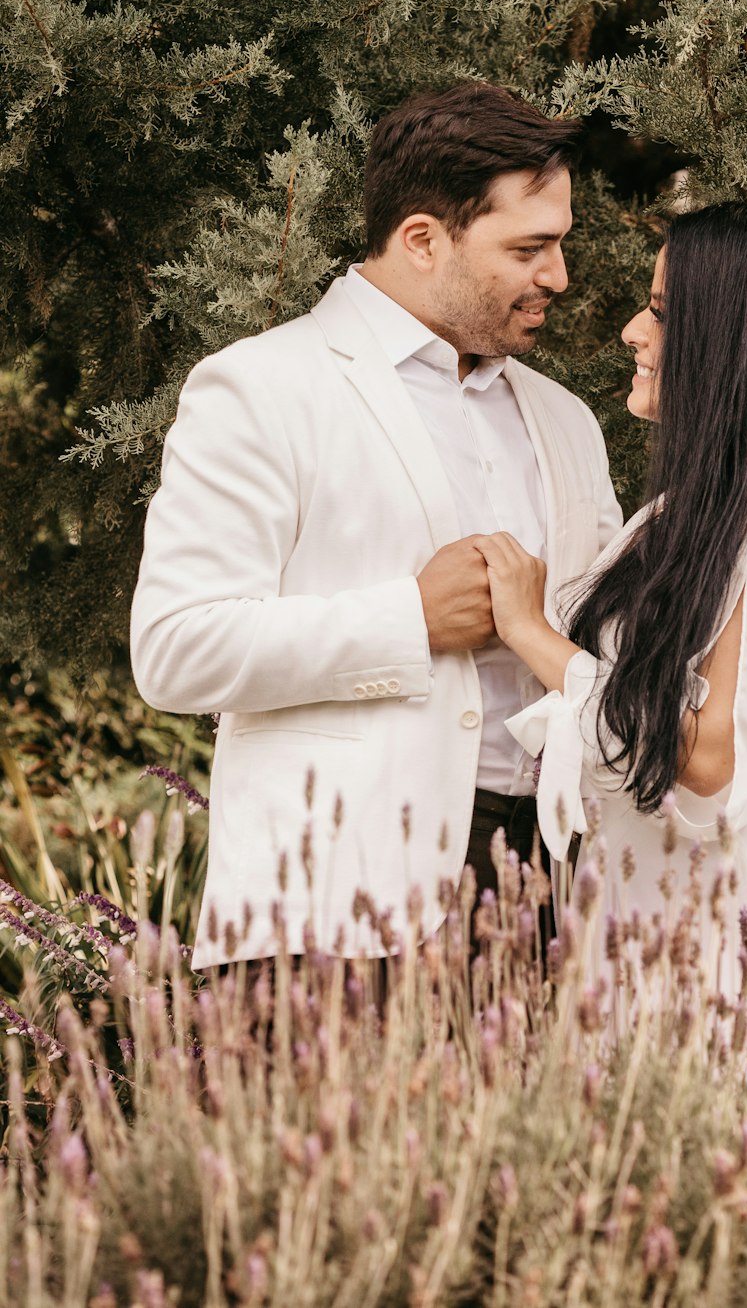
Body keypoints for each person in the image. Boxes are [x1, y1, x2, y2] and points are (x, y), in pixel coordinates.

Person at [131, 82, 624, 969]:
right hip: (337, 907)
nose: (558, 276)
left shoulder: (565, 420)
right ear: (424, 240)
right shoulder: (262, 388)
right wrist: (410, 619)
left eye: (559, 245)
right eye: (530, 248)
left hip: (550, 901)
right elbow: (174, 648)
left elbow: (605, 636)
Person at [473, 202, 747, 1056]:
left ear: (732, 342)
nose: (634, 331)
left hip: (746, 955)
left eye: (665, 312)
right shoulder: (676, 518)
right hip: (652, 938)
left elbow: (711, 771)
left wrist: (532, 633)